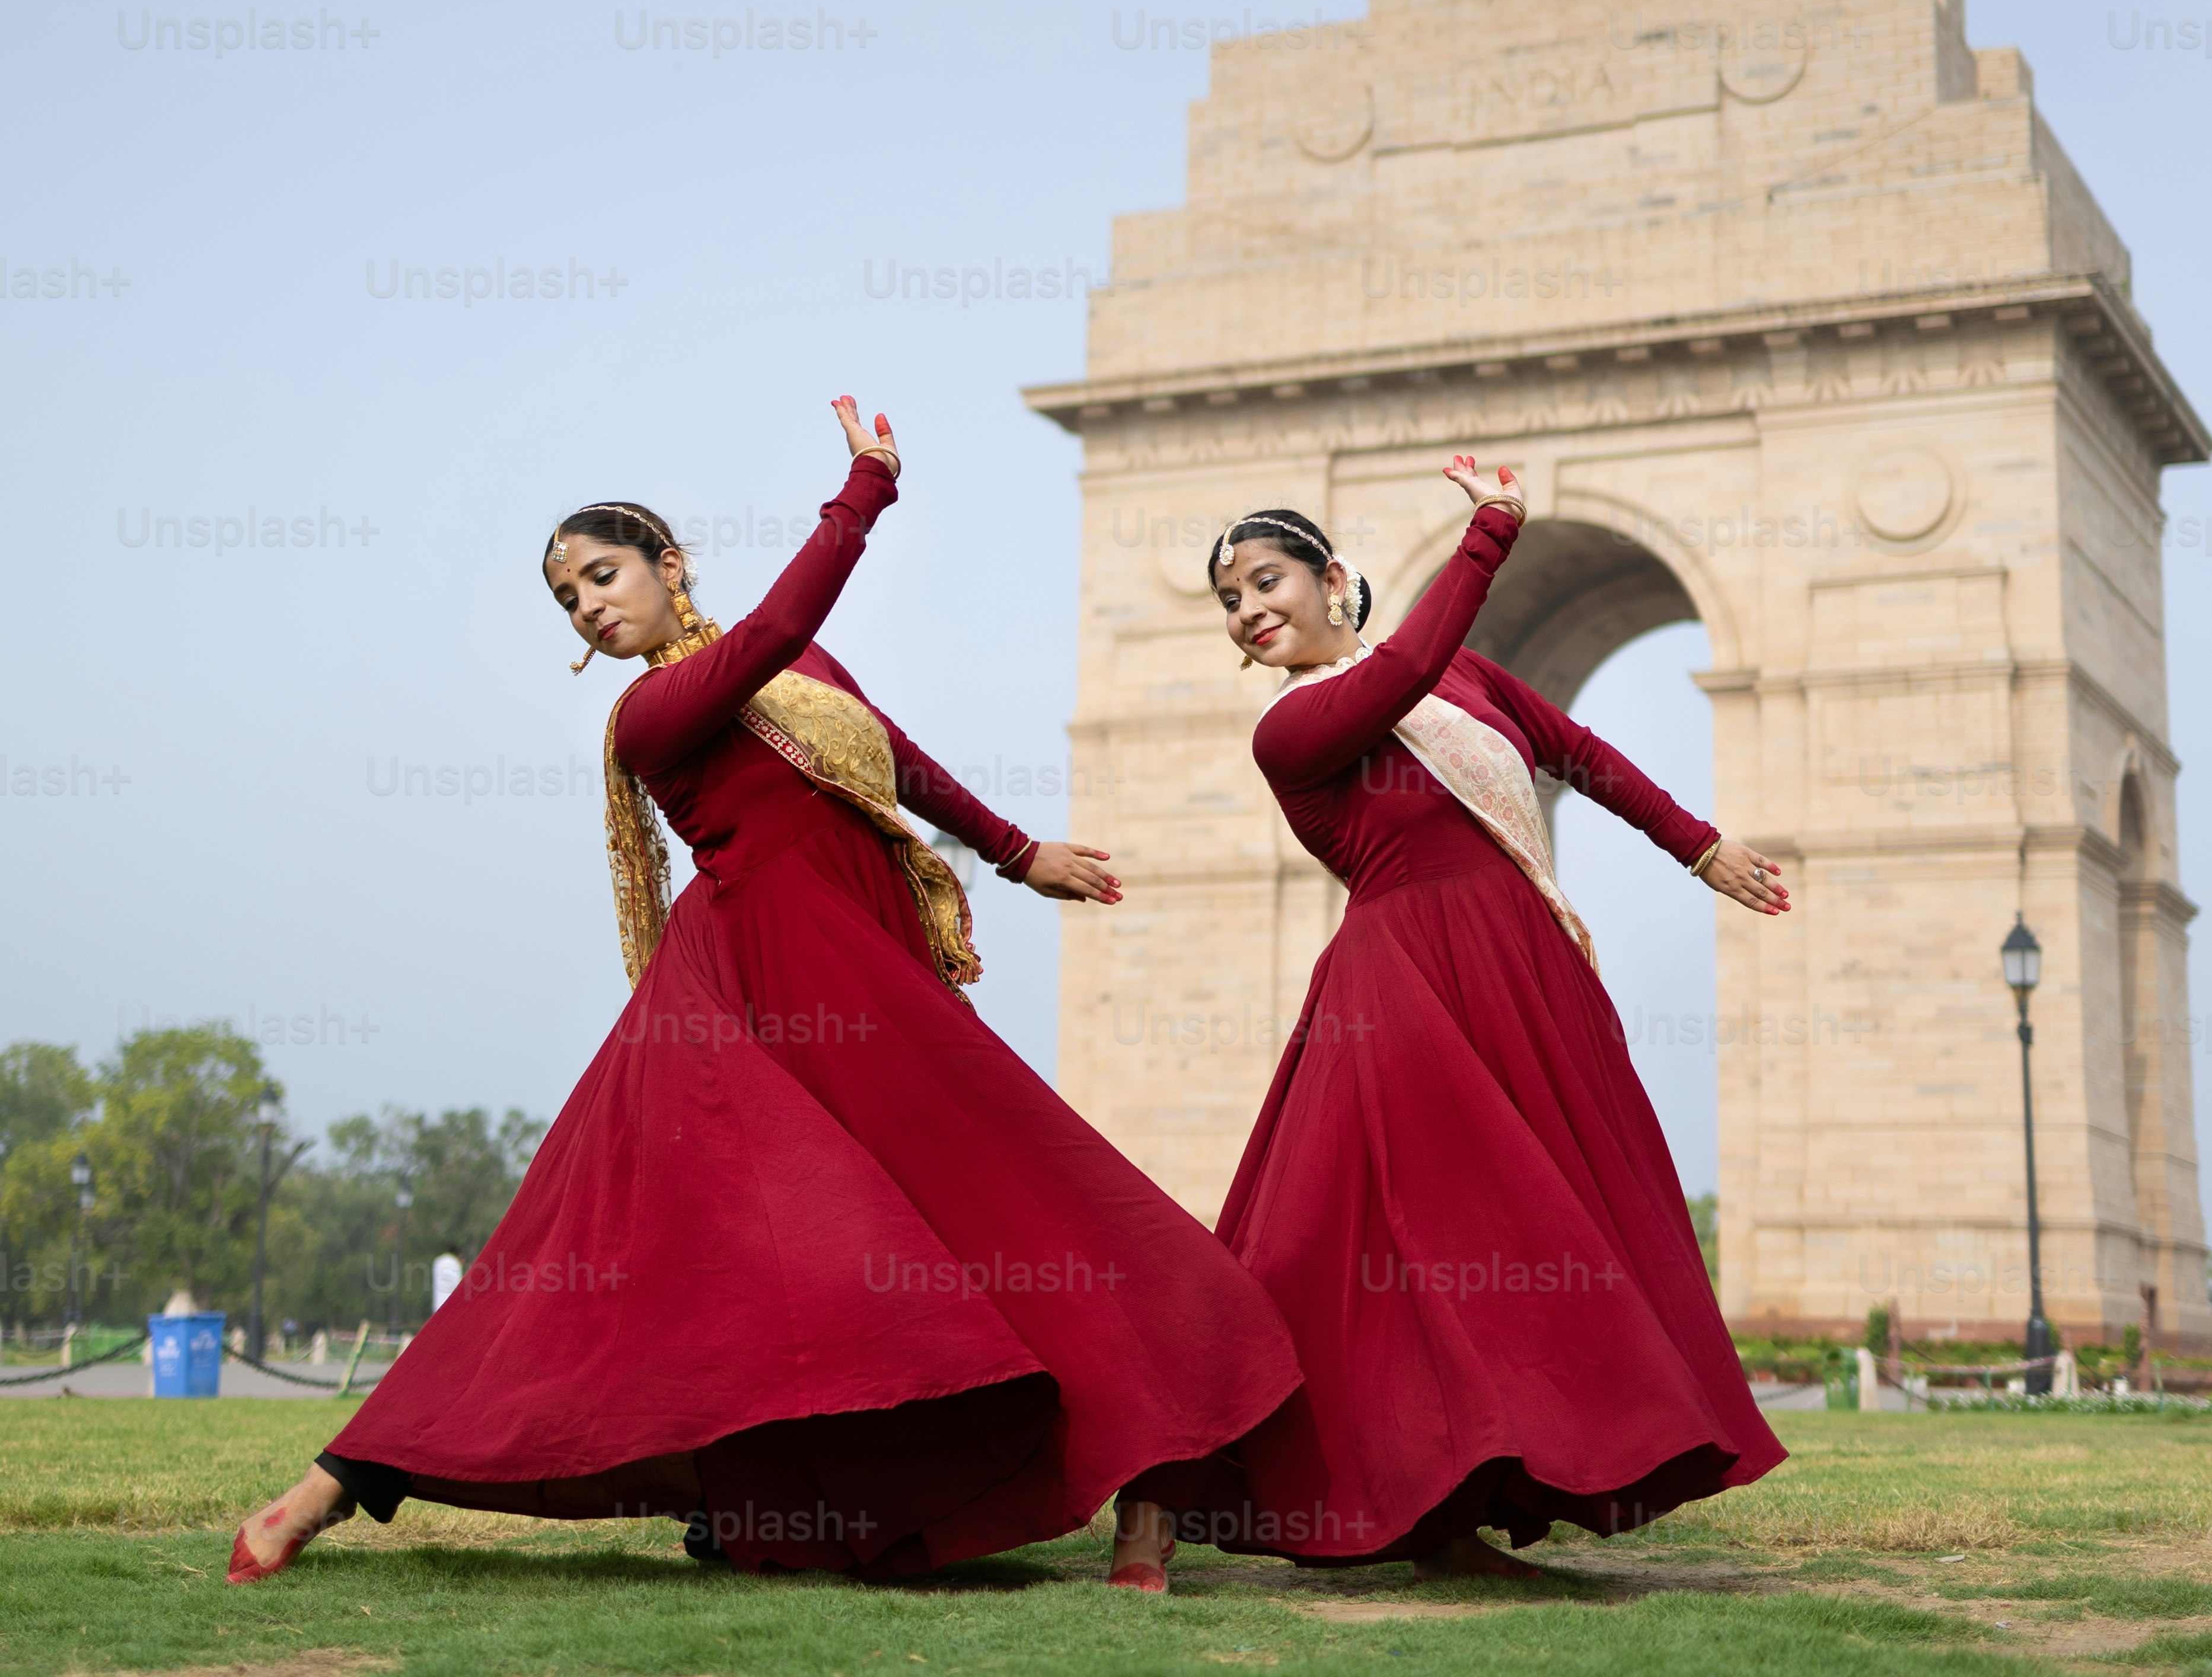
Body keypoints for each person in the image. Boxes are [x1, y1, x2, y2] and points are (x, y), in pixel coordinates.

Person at [230, 397, 1296, 1590]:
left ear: (666, 563)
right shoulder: (650, 710)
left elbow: (892, 754)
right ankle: (314, 1498)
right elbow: (789, 617)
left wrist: (1015, 849)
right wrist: (861, 493)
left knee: (1031, 1214)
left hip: (867, 977)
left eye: (601, 572)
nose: (589, 603)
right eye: (569, 597)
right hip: (745, 1001)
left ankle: (1144, 1506)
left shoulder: (790, 674)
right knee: (573, 1271)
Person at [1182, 457, 1786, 1579]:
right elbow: (1403, 667)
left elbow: (1581, 757)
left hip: (1528, 974)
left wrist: (1698, 845)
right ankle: (1171, 1478)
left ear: (1329, 580)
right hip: (1403, 988)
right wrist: (1491, 535)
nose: (1251, 611)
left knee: (1541, 1236)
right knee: (1368, 1240)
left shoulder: (1467, 677)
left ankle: (1458, 1507)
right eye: (1230, 601)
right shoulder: (1294, 730)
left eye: (1268, 580)